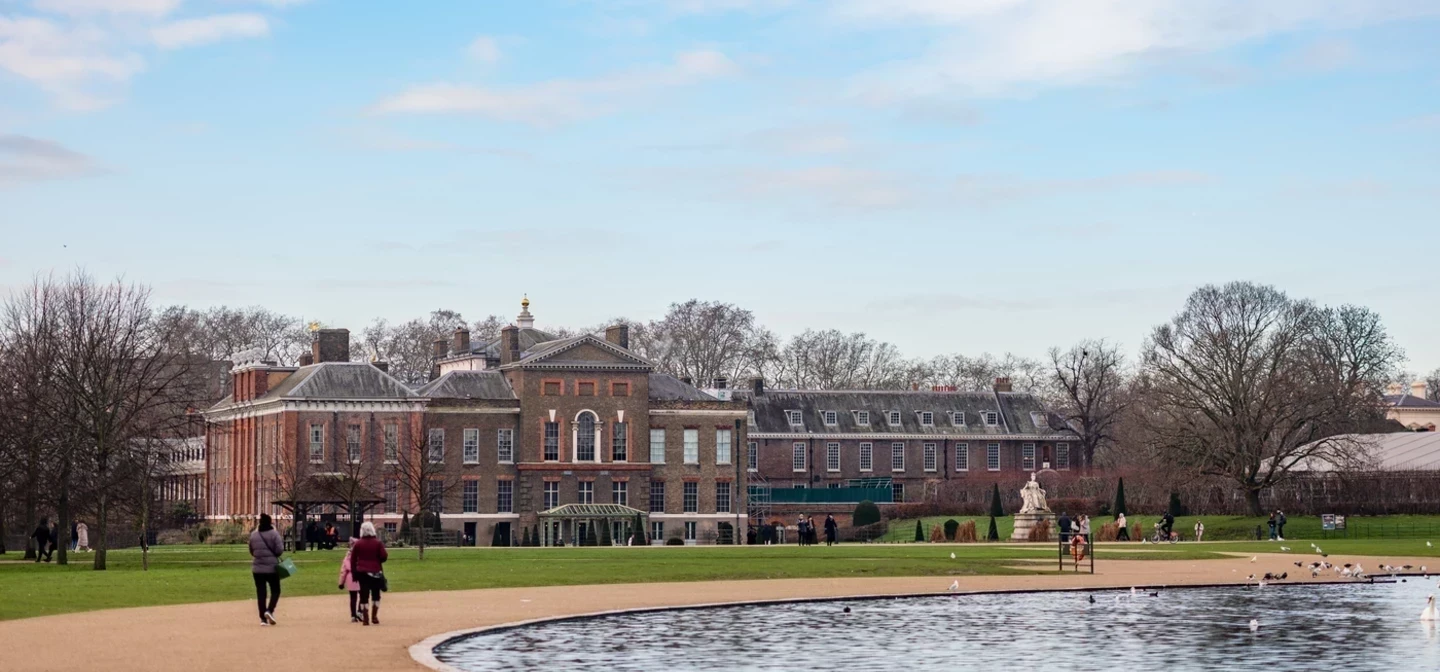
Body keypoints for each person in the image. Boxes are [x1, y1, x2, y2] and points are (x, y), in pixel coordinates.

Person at [248, 513, 285, 626]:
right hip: (272, 568)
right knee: (275, 590)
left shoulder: (254, 535)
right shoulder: (274, 534)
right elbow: (279, 550)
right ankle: (270, 610)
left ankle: (262, 619)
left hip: (257, 568)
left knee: (261, 593)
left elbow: (251, 551)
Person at [351, 522, 389, 626]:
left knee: (364, 595)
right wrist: (377, 560)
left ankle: (365, 618)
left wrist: (354, 574)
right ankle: (374, 616)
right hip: (376, 572)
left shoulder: (358, 544)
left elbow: (353, 560)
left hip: (362, 572)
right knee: (376, 594)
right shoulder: (378, 543)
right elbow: (384, 556)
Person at [338, 539, 362, 623]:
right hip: (361, 575)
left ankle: (353, 615)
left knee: (353, 597)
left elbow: (343, 570)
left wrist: (341, 582)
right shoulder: (361, 555)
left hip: (350, 577)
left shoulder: (347, 556)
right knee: (363, 595)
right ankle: (360, 611)